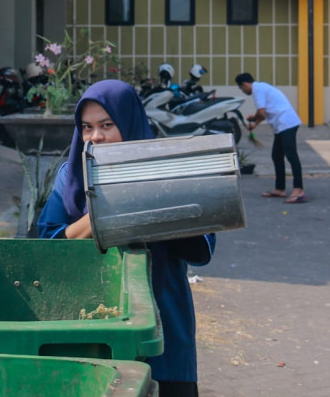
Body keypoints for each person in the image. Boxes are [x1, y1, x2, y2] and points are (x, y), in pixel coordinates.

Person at [37, 79, 215, 397]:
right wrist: (101, 212)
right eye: (87, 126)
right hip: (92, 323)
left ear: (129, 121)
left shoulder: (165, 169)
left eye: (107, 124)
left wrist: (154, 200)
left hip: (164, 322)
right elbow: (50, 243)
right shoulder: (71, 177)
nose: (96, 136)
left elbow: (202, 246)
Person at [234, 72, 306, 204]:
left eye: (241, 88)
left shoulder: (257, 90)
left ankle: (299, 190)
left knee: (291, 156)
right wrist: (255, 124)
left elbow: (261, 112)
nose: (243, 91)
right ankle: (280, 189)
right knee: (277, 156)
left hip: (287, 123)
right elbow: (267, 111)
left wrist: (254, 118)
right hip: (281, 125)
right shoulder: (261, 87)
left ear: (244, 84)